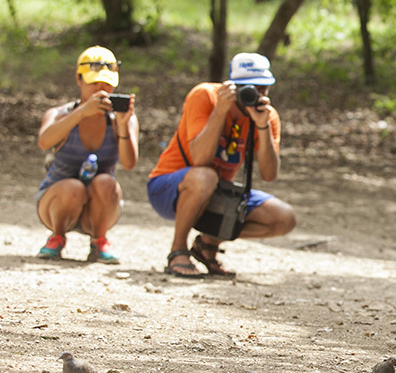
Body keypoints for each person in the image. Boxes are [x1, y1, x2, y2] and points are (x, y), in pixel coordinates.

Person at [147, 52, 297, 277]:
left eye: (263, 88)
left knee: (284, 218)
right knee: (206, 177)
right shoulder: (206, 96)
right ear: (232, 86)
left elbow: (269, 174)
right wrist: (220, 111)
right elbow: (200, 159)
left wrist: (262, 127)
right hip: (168, 188)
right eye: (249, 88)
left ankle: (207, 246)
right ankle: (177, 251)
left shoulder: (266, 115)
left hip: (215, 193)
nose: (256, 95)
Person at [36, 46, 139, 264]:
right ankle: (57, 237)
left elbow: (129, 164)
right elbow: (44, 141)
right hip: (58, 202)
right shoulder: (59, 114)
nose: (101, 90)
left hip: (100, 207)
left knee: (106, 182)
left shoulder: (123, 119)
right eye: (94, 83)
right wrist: (81, 112)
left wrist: (122, 127)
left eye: (107, 84)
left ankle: (99, 241)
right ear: (79, 79)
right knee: (72, 187)